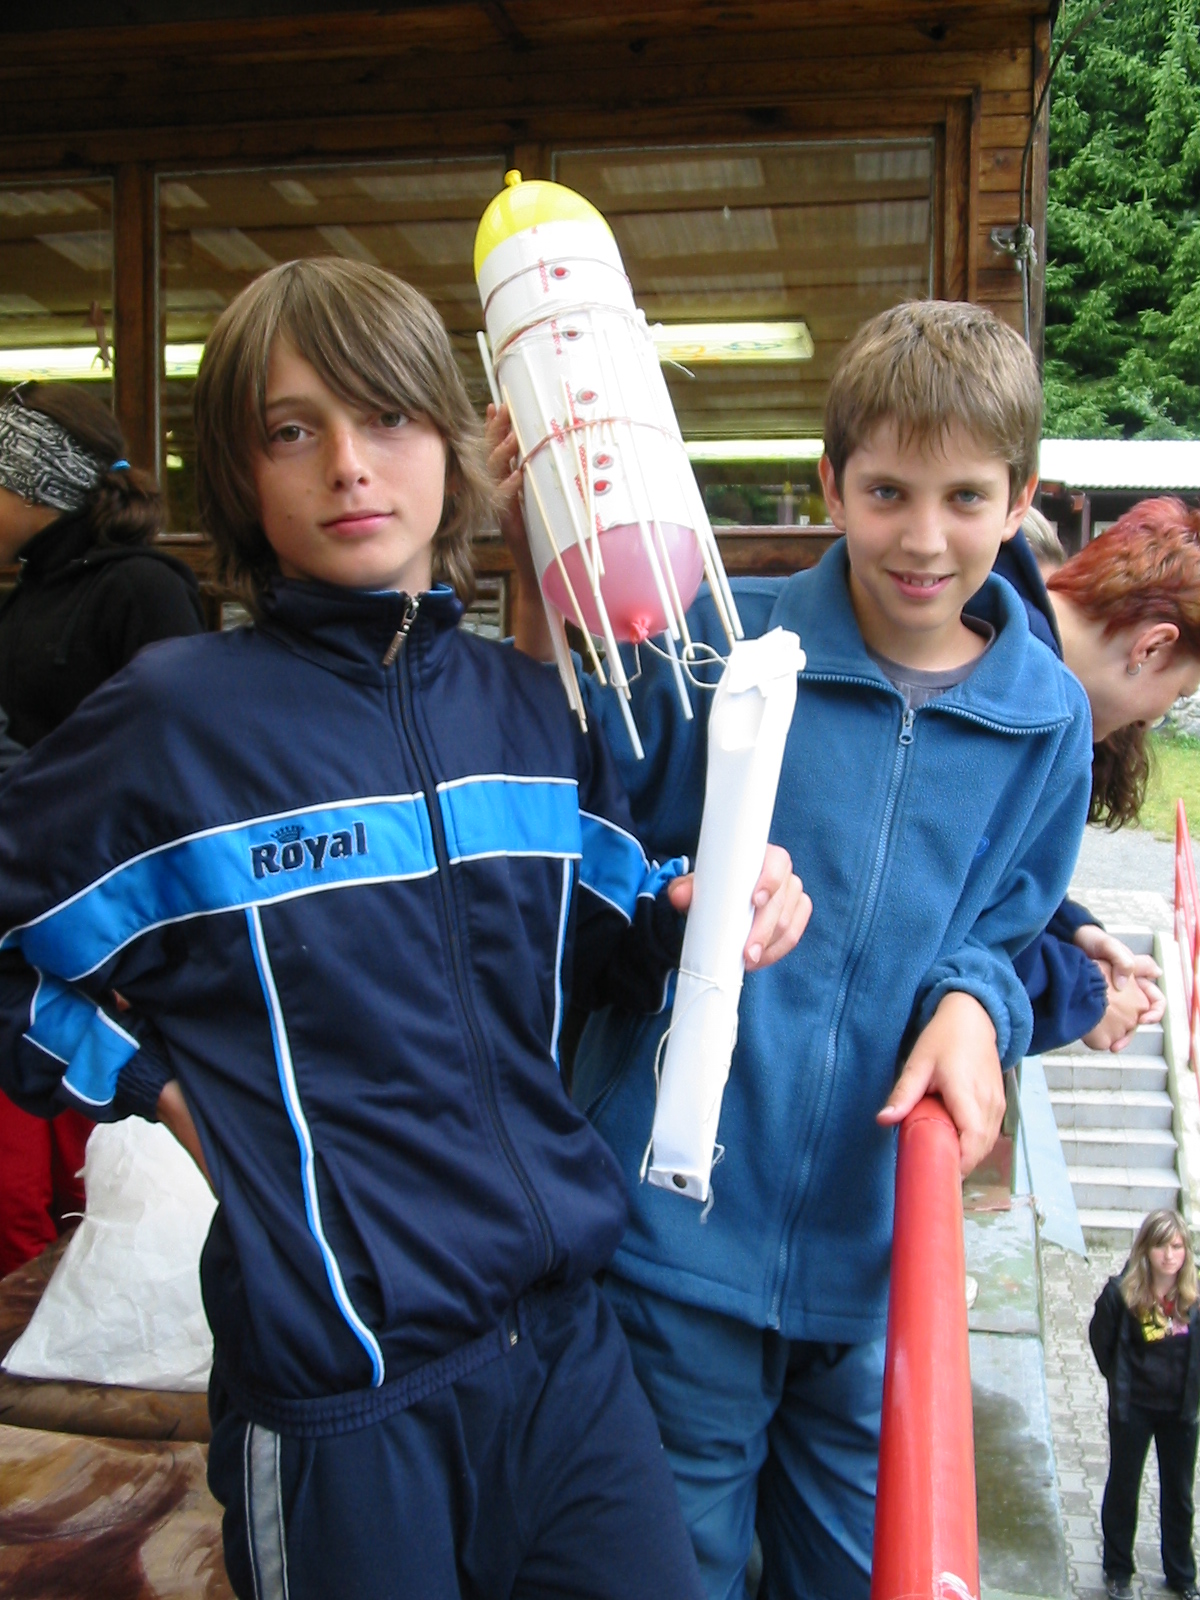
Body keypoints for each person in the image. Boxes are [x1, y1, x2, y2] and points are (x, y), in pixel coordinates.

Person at [0, 258, 808, 1600]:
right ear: (240, 475)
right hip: (346, 1397)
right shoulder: (175, 724)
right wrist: (155, 1087)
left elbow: (596, 947)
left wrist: (706, 910)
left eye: (386, 415)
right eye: (291, 429)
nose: (349, 465)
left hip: (566, 1360)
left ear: (453, 441)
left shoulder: (528, 710)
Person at [496, 299, 1094, 1599]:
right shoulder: (722, 649)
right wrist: (538, 548)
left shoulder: (1047, 718)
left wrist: (978, 1000)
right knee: (671, 1568)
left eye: (964, 496)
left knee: (862, 1567)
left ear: (1020, 498)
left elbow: (1008, 928)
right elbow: (572, 819)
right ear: (831, 484)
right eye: (886, 492)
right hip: (673, 1242)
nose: (923, 537)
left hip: (879, 1265)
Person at [0, 381, 205, 1280]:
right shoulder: (22, 599)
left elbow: (182, 779)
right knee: (35, 1186)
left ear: (34, 483)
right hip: (30, 934)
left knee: (103, 1186)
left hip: (112, 946)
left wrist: (148, 951)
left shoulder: (141, 590)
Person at [980, 498, 1200, 1057]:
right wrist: (1083, 993)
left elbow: (986, 872)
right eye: (1179, 694)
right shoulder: (1010, 689)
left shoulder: (1001, 634)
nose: (1153, 719)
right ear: (1152, 645)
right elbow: (936, 906)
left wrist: (1072, 930)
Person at [1090, 1209, 1200, 1600]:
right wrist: (1120, 1382)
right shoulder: (1121, 1294)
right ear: (1145, 1249)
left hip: (1180, 1412)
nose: (1169, 1256)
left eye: (1177, 1247)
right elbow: (1101, 1341)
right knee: (1123, 1488)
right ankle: (1118, 1571)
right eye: (1160, 1246)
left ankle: (1181, 1574)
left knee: (1179, 1494)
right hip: (1134, 1409)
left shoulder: (1194, 1296)